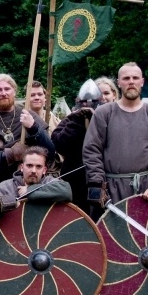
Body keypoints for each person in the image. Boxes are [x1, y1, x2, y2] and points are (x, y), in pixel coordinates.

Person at [83, 62, 148, 214]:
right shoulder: (104, 113)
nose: (131, 81)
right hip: (111, 190)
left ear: (142, 81)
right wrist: (99, 186)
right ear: (119, 83)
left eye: (135, 78)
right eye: (126, 78)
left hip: (147, 190)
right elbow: (91, 151)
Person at [0, 73, 55, 199]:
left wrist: (33, 127)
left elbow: (50, 152)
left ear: (14, 91)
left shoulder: (28, 115)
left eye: (7, 89)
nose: (3, 93)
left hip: (32, 185)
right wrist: (9, 154)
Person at [0, 146, 72, 222]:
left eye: (38, 166)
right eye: (29, 165)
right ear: (22, 167)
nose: (33, 170)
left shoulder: (50, 182)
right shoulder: (5, 187)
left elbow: (66, 191)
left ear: (44, 170)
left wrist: (29, 191)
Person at [51, 79, 101, 209]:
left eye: (91, 102)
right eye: (83, 102)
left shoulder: (106, 119)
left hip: (99, 178)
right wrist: (77, 121)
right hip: (74, 179)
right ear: (78, 102)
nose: (87, 105)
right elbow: (59, 144)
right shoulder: (71, 120)